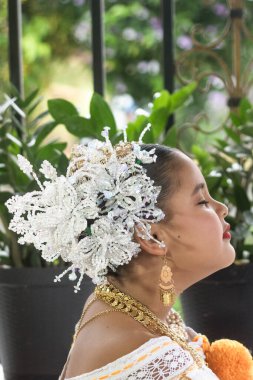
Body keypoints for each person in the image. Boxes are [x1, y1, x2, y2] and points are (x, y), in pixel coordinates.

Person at [5, 126, 235, 379]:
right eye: (202, 201)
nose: (221, 208)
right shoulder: (148, 355)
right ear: (152, 236)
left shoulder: (116, 308)